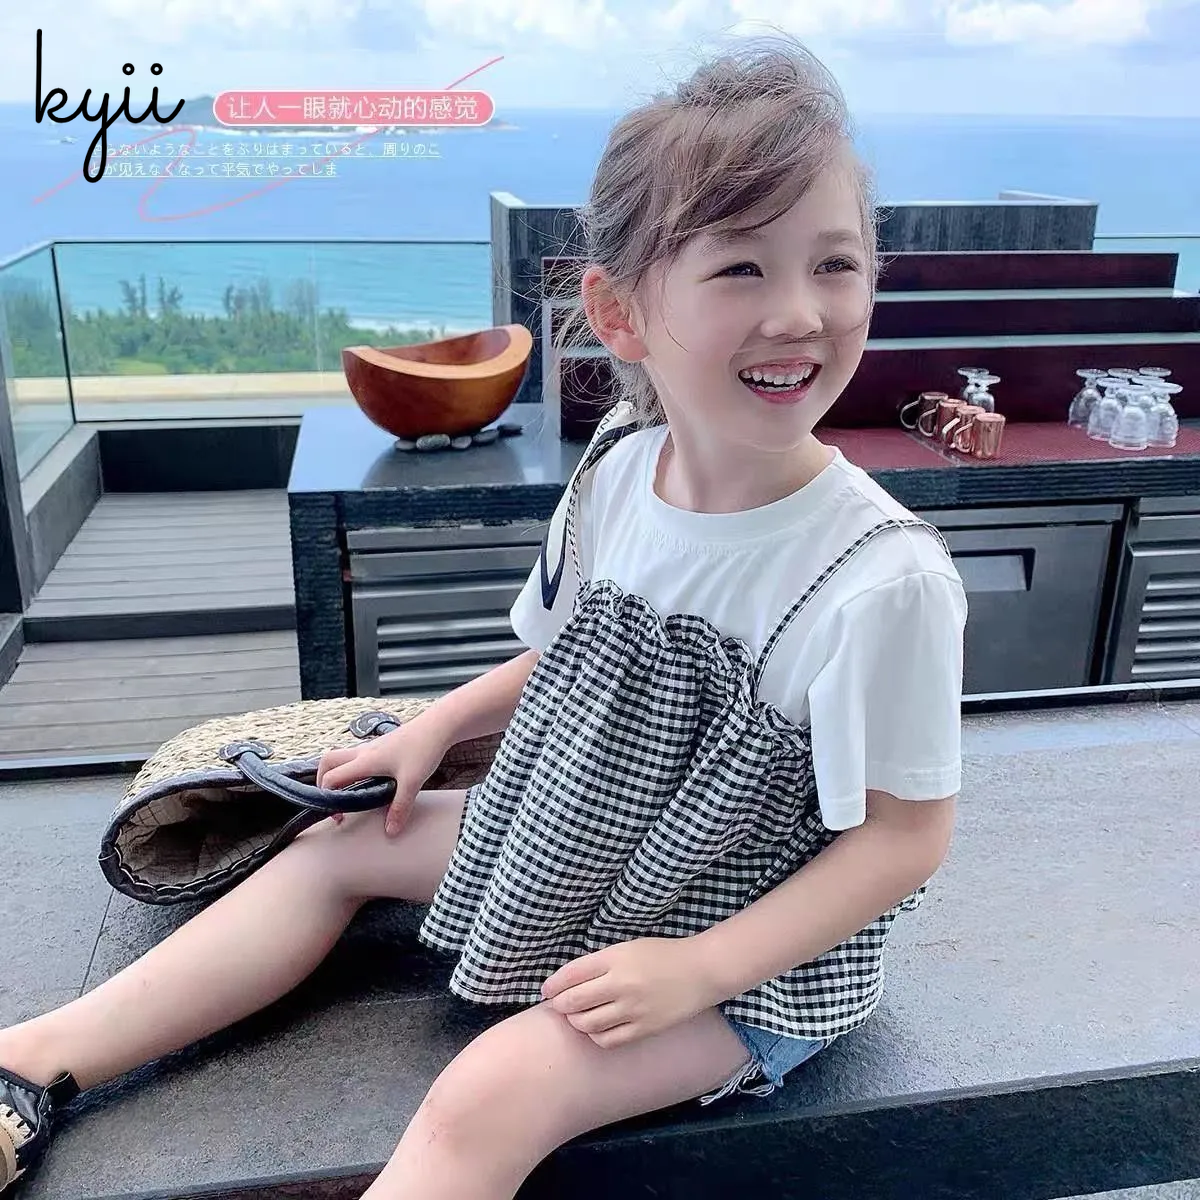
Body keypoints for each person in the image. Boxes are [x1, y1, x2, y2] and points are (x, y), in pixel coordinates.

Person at [0, 32, 967, 1200]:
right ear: (619, 312)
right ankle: (32, 1060)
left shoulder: (878, 579)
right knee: (339, 843)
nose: (801, 313)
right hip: (592, 841)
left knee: (491, 1092)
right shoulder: (623, 467)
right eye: (741, 269)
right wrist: (432, 728)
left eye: (835, 263)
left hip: (751, 947)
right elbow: (574, 656)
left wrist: (700, 968)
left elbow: (903, 840)